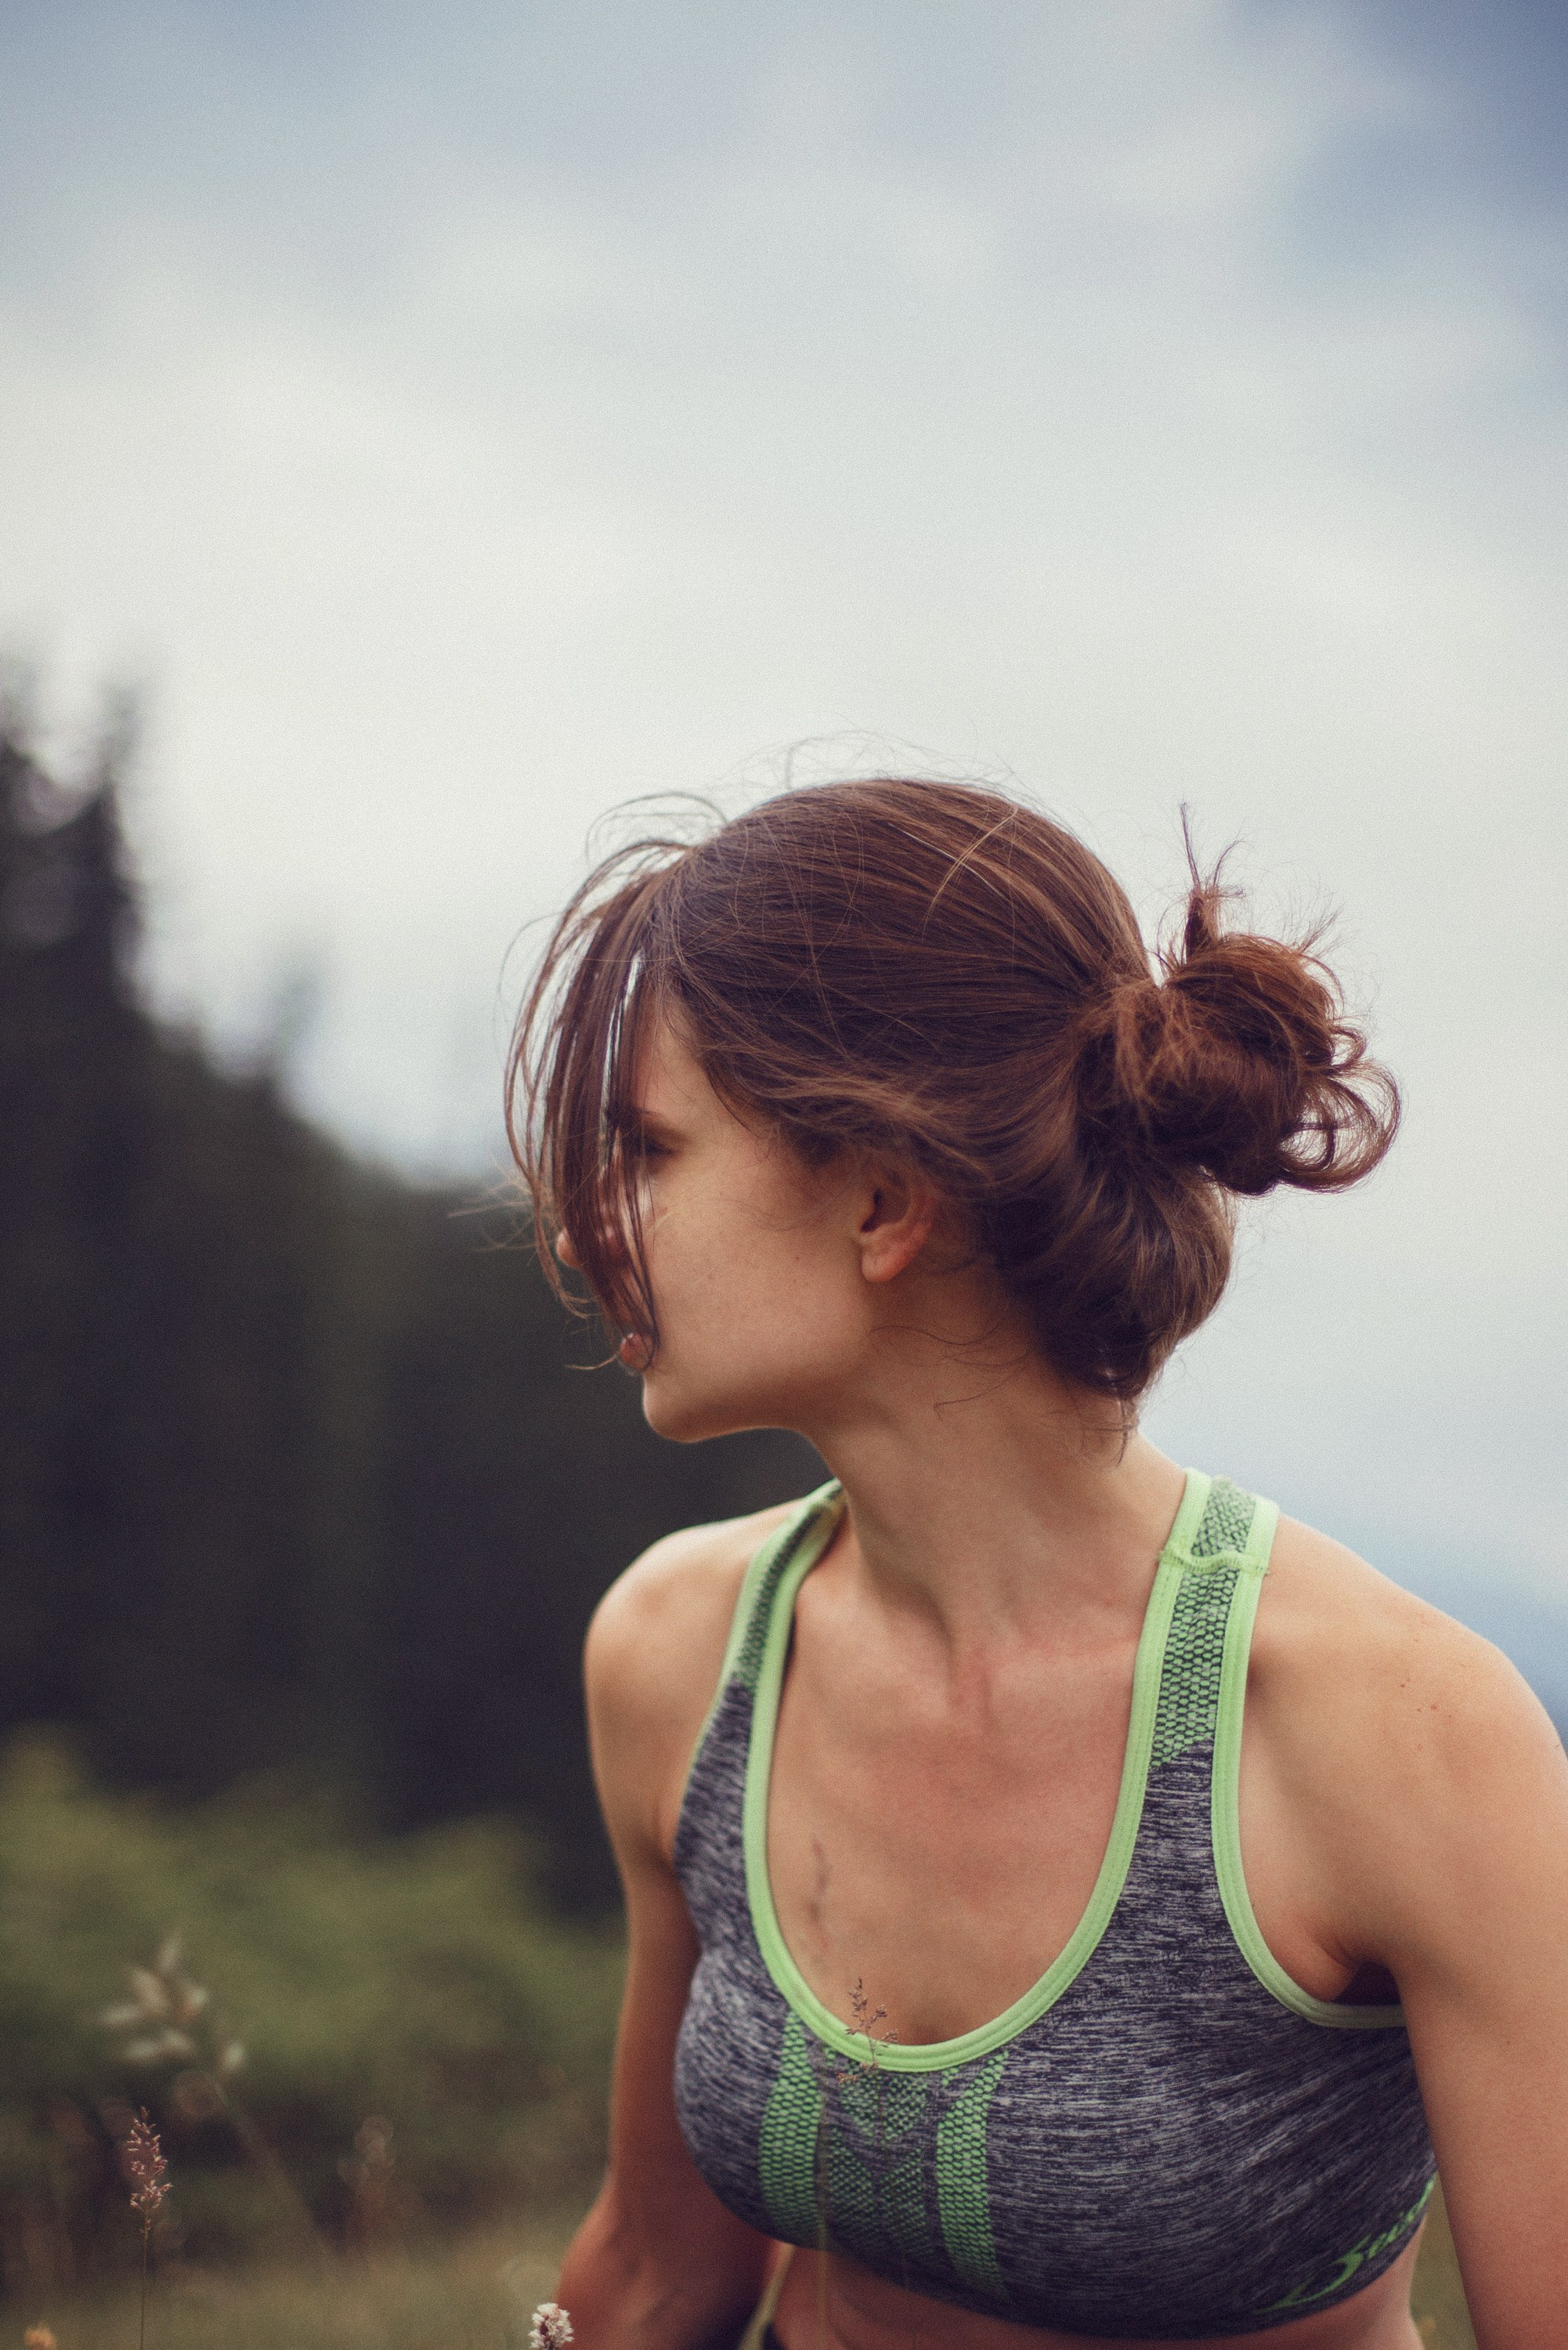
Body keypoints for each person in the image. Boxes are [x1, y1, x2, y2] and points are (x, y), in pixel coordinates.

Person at [508, 778, 1568, 2350]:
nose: (587, 1223)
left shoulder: (1404, 1736)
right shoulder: (678, 1654)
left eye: (651, 1149)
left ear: (878, 1198)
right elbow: (663, 2277)